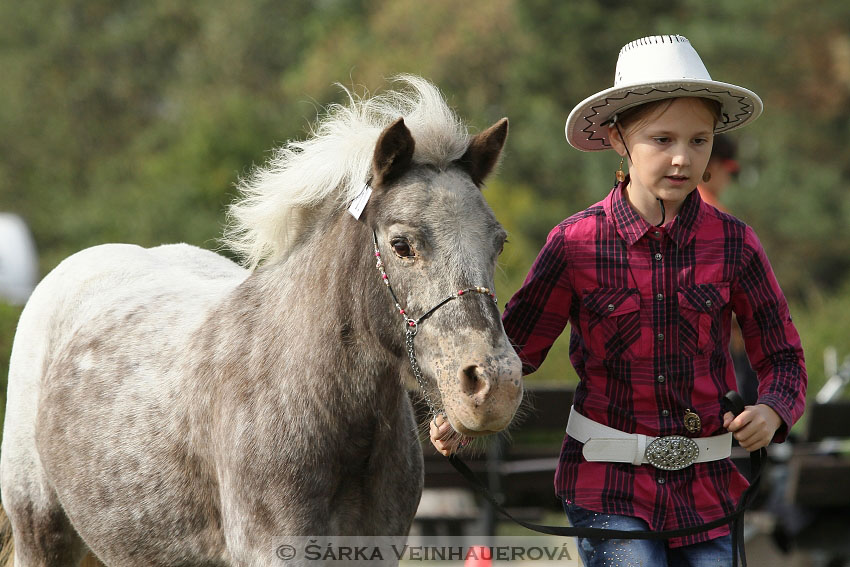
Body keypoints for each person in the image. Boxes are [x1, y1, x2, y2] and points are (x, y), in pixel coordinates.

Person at [431, 35, 806, 566]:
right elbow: (516, 349)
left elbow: (783, 356)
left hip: (708, 487)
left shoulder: (736, 244)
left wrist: (772, 409)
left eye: (700, 141)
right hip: (607, 486)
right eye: (661, 139)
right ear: (617, 140)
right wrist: (465, 413)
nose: (682, 158)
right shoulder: (574, 243)